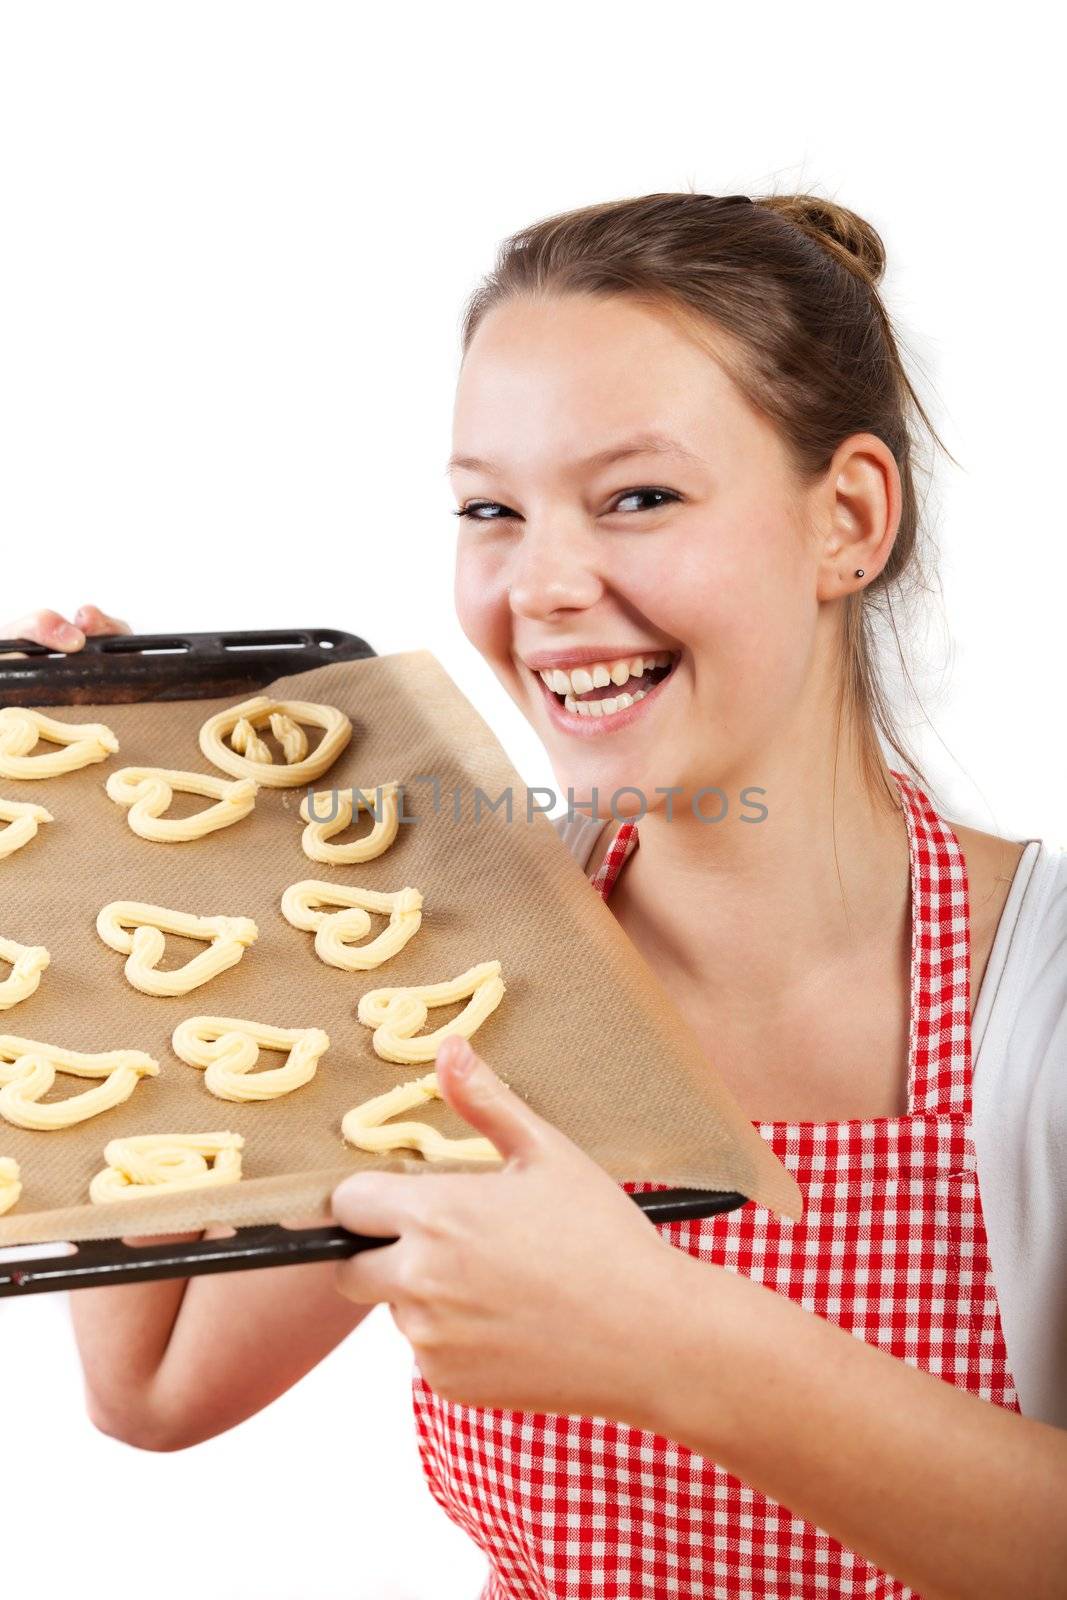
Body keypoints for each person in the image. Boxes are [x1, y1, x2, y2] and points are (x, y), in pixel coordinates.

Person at [5, 191, 1065, 1600]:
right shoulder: (441, 961)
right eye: (491, 509)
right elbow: (152, 1391)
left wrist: (672, 1340)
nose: (544, 583)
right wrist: (118, 871)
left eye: (639, 497)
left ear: (849, 520)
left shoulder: (1040, 1006)